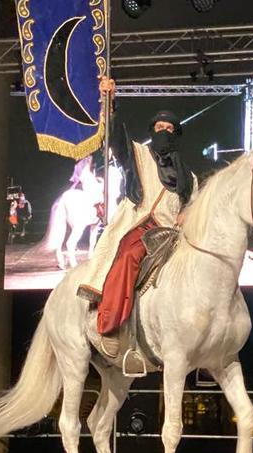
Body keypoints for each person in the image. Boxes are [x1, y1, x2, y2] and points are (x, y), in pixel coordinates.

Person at [77, 77, 197, 358]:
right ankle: (110, 326)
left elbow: (192, 206)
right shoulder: (139, 154)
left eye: (169, 129)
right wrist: (109, 102)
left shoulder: (188, 176)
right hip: (143, 225)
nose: (164, 132)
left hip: (173, 234)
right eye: (159, 128)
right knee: (129, 254)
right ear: (153, 131)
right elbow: (116, 137)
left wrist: (187, 218)